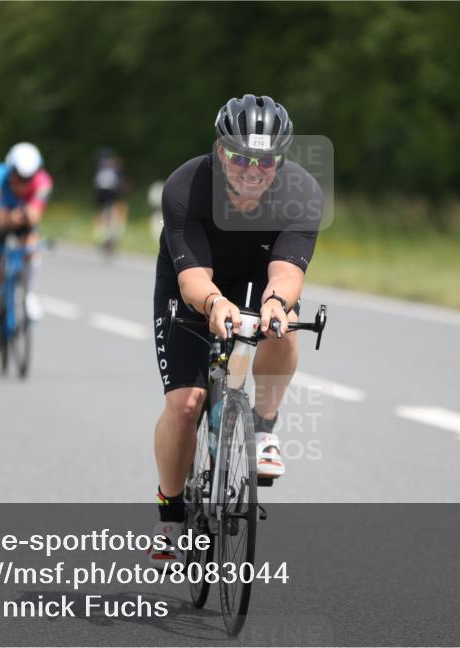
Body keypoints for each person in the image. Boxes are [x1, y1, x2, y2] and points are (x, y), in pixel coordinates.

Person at [148, 94, 323, 564]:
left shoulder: (303, 192)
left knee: (282, 328)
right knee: (186, 405)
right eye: (239, 156)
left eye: (265, 161)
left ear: (281, 160)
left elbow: (286, 274)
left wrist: (274, 303)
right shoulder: (186, 186)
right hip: (194, 278)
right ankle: (171, 512)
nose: (252, 170)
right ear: (219, 149)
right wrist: (213, 301)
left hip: (257, 277)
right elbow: (191, 280)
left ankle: (263, 429)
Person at [0, 142, 52, 349]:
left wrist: (23, 218)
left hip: (21, 219)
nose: (23, 183)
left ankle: (29, 296)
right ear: (10, 171)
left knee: (31, 246)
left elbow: (35, 216)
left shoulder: (44, 182)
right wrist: (16, 217)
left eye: (29, 178)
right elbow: (0, 221)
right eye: (18, 177)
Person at [92, 148, 128, 257]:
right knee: (113, 213)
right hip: (113, 193)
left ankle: (102, 237)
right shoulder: (116, 166)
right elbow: (120, 182)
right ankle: (111, 236)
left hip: (101, 194)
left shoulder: (100, 166)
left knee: (102, 214)